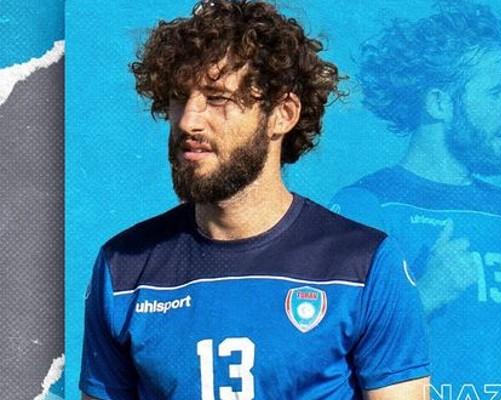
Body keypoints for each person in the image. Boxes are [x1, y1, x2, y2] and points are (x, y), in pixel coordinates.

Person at [79, 1, 431, 399]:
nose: (189, 121)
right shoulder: (123, 268)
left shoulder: (363, 266)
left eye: (217, 99)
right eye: (179, 98)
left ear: (283, 114)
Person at [329, 3, 501, 396]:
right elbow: (325, 350)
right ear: (438, 103)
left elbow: (497, 334)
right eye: (497, 92)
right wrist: (426, 294)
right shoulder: (365, 206)